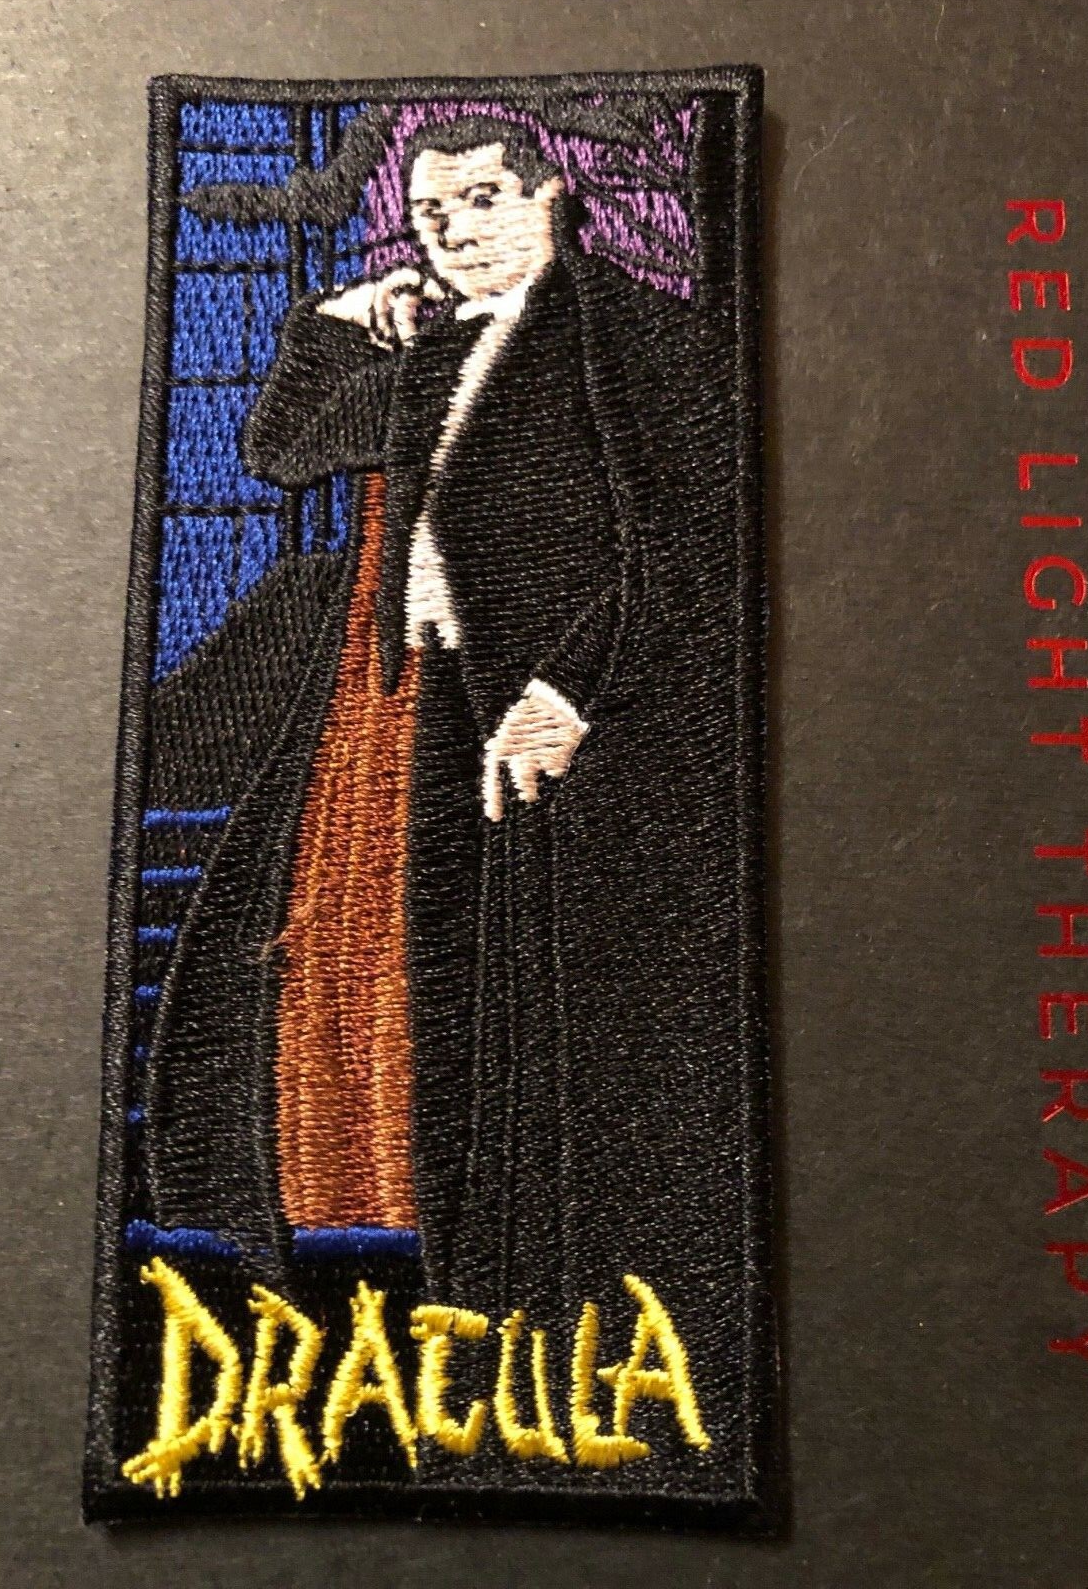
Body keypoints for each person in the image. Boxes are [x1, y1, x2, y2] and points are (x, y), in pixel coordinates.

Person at [145, 114, 749, 1395]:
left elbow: (688, 547)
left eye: (480, 201)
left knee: (552, 1018)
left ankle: (557, 1308)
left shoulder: (631, 338)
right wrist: (333, 324)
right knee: (423, 981)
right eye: (431, 216)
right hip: (431, 707)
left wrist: (573, 688)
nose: (456, 233)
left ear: (551, 195)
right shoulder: (434, 351)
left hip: (571, 726)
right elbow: (283, 450)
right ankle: (401, 1263)